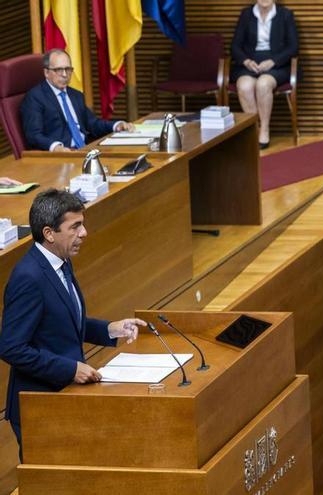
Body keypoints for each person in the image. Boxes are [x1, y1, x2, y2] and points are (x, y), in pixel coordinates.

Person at [0, 189, 145, 454]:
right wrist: (70, 369)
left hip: (64, 397)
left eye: (83, 224)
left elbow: (61, 320)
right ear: (49, 233)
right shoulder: (28, 278)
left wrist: (110, 330)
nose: (84, 233)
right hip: (40, 406)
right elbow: (11, 347)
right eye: (75, 226)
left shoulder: (61, 262)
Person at [20, 49, 134, 152]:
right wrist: (56, 147)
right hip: (60, 157)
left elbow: (92, 124)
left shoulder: (76, 95)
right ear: (46, 73)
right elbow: (34, 135)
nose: (65, 75)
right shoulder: (35, 97)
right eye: (59, 70)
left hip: (85, 150)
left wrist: (116, 125)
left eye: (68, 69)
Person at [230, 0, 299, 149]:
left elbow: (293, 47)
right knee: (244, 86)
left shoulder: (285, 14)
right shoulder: (246, 14)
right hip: (250, 63)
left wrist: (273, 61)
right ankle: (254, 128)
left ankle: (265, 129)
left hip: (277, 64)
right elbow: (235, 46)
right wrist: (246, 61)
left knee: (263, 84)